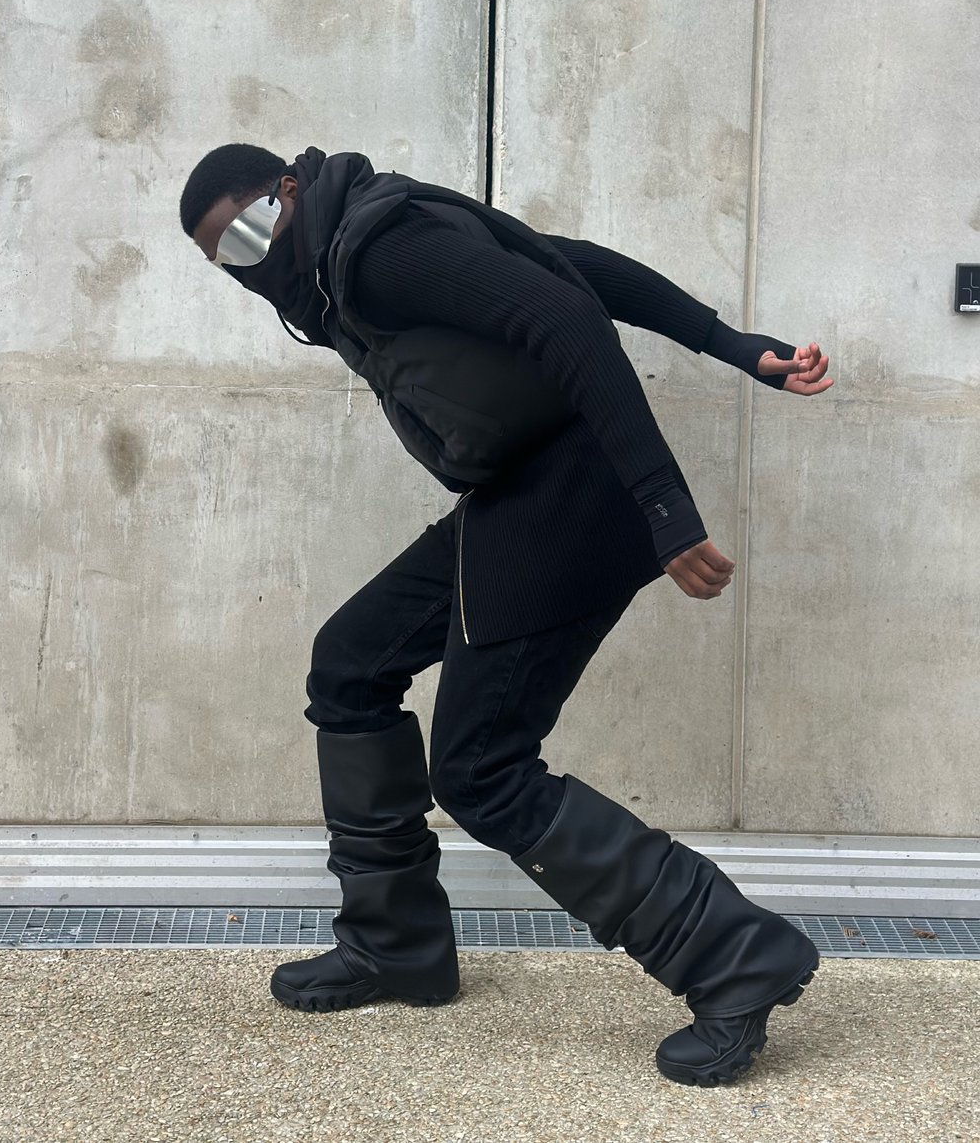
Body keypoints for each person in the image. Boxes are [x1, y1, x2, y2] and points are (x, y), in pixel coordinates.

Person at [179, 142, 834, 1088]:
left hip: (575, 491)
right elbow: (570, 262)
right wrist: (734, 346)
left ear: (288, 188)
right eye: (225, 261)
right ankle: (394, 942)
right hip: (515, 490)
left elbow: (564, 313)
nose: (249, 265)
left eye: (248, 233)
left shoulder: (377, 248)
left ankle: (737, 959)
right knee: (351, 663)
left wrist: (665, 509)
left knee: (480, 768)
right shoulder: (339, 257)